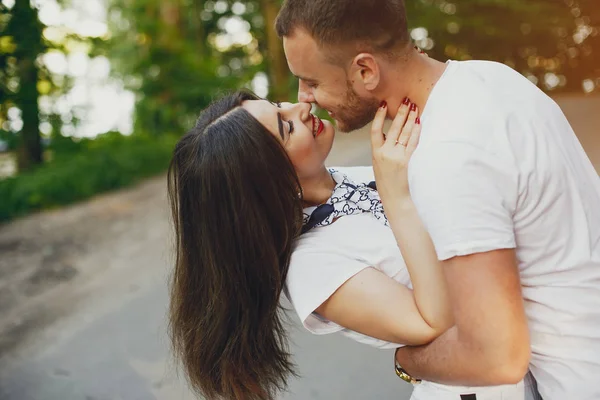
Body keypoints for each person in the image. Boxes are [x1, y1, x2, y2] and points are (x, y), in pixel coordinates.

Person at [275, 0, 600, 399]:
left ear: (365, 70)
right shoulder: (491, 76)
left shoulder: (448, 154)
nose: (304, 98)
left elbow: (497, 358)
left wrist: (406, 362)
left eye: (310, 80)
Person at [167, 91, 530, 400]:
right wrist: (397, 196)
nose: (301, 108)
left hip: (526, 341)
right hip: (486, 388)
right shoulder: (314, 266)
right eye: (286, 125)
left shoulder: (343, 178)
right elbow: (434, 321)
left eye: (280, 103)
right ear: (270, 178)